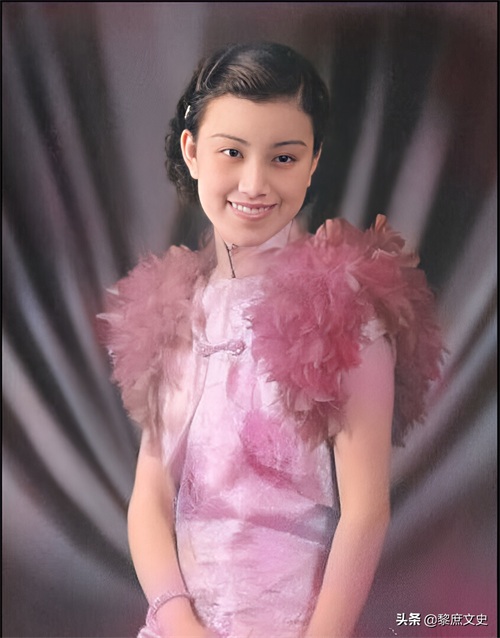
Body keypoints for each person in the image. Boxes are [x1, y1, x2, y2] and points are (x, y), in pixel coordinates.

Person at [99, 42, 443, 638]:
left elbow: (365, 514)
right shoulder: (177, 311)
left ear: (313, 163)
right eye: (232, 152)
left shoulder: (344, 310)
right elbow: (150, 497)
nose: (254, 183)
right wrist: (180, 624)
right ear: (193, 152)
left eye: (283, 158)